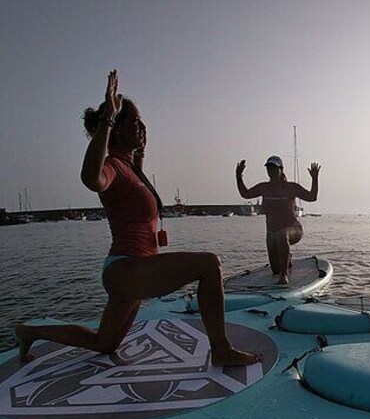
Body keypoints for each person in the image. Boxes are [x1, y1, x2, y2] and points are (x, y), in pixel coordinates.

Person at [14, 70, 260, 367]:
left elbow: (140, 173)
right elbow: (91, 178)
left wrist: (140, 146)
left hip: (132, 271)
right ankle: (221, 349)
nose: (142, 126)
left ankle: (28, 332)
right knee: (209, 265)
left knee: (103, 343)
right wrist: (107, 117)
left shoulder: (132, 168)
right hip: (127, 269)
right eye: (135, 121)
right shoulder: (112, 167)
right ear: (116, 129)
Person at [236, 156, 319, 285]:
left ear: (281, 169)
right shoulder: (264, 187)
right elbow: (245, 194)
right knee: (275, 269)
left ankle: (284, 275)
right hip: (271, 233)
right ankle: (287, 259)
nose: (271, 171)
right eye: (269, 168)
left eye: (274, 168)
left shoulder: (291, 187)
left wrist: (314, 178)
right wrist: (238, 176)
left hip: (293, 229)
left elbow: (312, 197)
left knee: (282, 235)